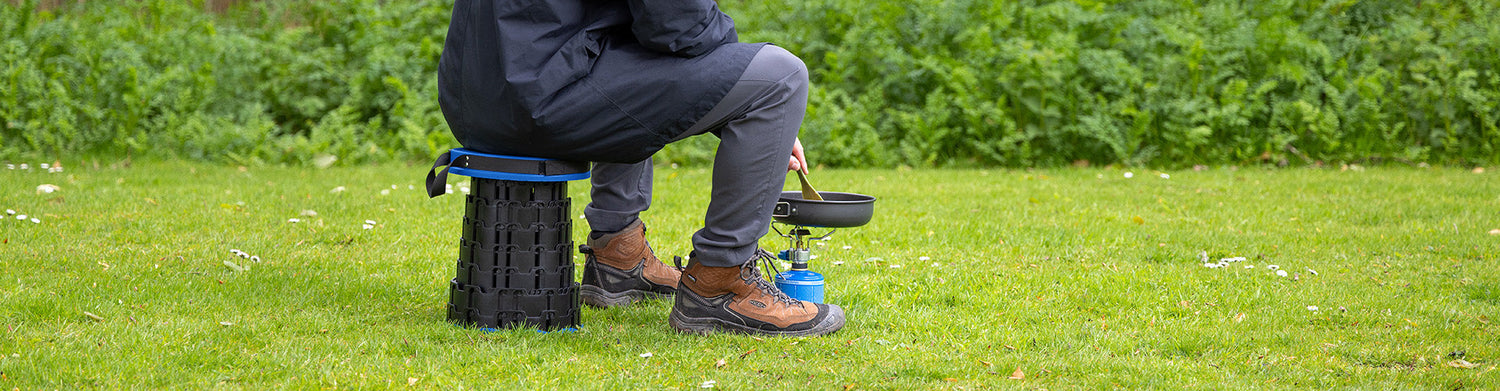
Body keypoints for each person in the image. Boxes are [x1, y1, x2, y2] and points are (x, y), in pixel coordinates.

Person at [437, 0, 844, 336]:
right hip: (541, 97)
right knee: (779, 76)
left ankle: (619, 257)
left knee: (632, 49)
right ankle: (720, 283)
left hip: (476, 101)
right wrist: (744, 88)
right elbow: (678, 23)